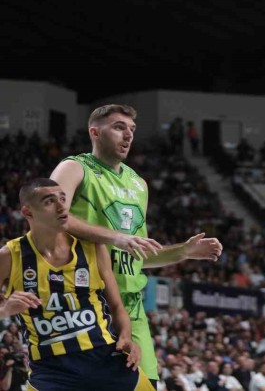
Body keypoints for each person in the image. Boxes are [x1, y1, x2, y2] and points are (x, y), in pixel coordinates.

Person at [49, 104, 223, 387]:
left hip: (131, 306)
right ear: (95, 132)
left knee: (147, 384)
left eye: (131, 129)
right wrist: (115, 237)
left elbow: (138, 254)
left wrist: (183, 251)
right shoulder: (74, 168)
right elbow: (50, 216)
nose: (128, 135)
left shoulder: (138, 184)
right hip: (83, 300)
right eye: (119, 127)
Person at [0, 178, 154, 390]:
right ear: (28, 212)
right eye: (49, 201)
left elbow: (117, 305)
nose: (61, 206)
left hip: (105, 359)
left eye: (63, 199)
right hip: (51, 371)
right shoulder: (9, 256)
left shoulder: (93, 248)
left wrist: (126, 336)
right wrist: (5, 310)